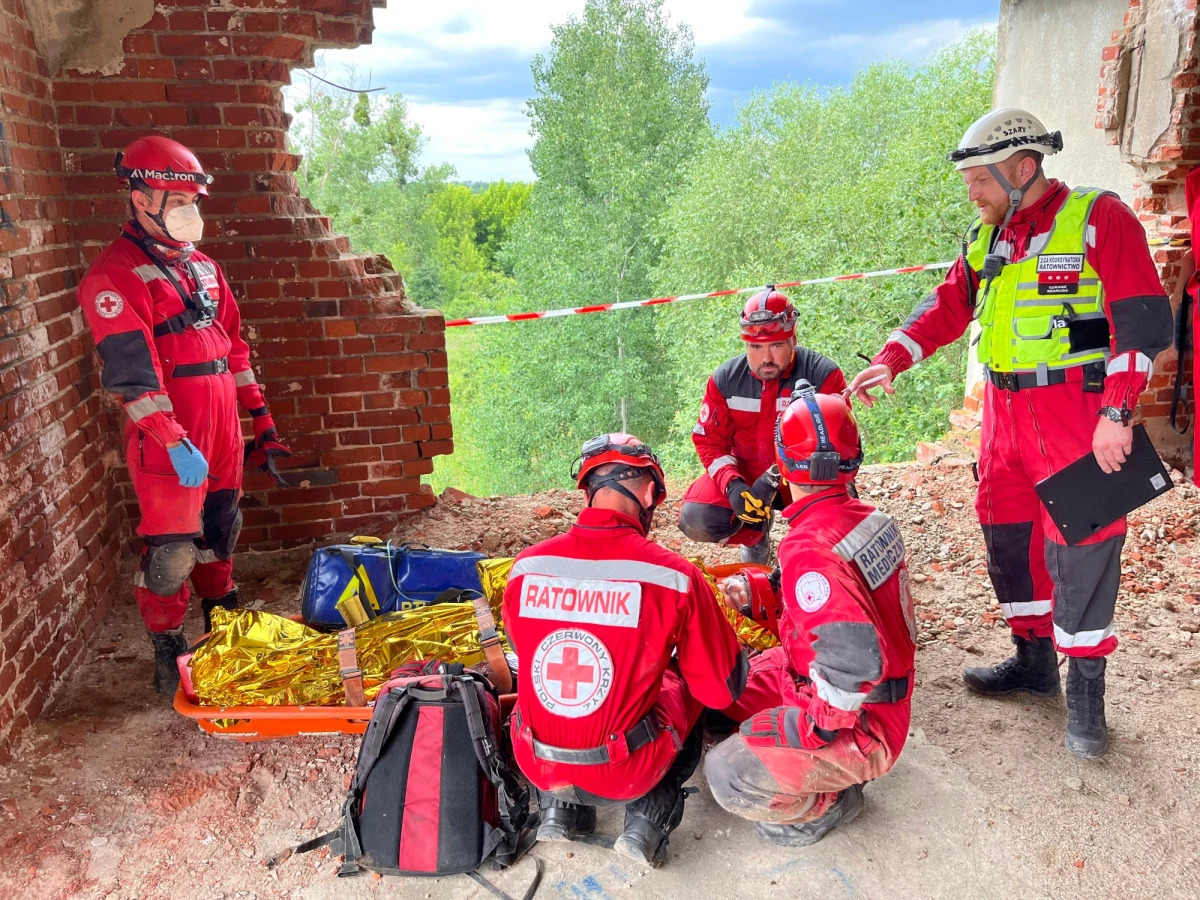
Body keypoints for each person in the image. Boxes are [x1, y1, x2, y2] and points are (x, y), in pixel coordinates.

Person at [846, 109, 1173, 758]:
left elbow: (1142, 320)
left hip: (1076, 415)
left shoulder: (1099, 219)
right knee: (1009, 539)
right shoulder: (990, 237)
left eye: (980, 179)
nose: (972, 191)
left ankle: (1086, 699)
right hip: (1003, 418)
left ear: (1023, 169)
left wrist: (1118, 411)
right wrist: (891, 357)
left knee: (1084, 551)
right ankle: (1032, 662)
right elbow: (947, 303)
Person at [78, 136, 291, 696]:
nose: (186, 211)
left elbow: (234, 350)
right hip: (171, 431)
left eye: (192, 199)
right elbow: (133, 375)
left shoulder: (204, 269)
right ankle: (166, 645)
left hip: (221, 422)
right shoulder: (115, 274)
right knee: (171, 548)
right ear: (140, 197)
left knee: (222, 529)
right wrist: (172, 440)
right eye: (175, 200)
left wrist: (261, 421)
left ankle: (223, 624)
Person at [503, 434, 748, 867]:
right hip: (625, 770)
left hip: (535, 759)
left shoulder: (526, 568)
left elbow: (526, 659)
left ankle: (559, 809)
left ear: (588, 490)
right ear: (649, 491)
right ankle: (646, 823)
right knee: (692, 684)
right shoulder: (673, 576)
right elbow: (720, 690)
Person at [704, 382, 916, 846]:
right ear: (853, 460)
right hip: (864, 689)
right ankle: (812, 746)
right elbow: (854, 602)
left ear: (780, 466)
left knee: (726, 773)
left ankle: (829, 802)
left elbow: (854, 660)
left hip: (862, 718)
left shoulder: (808, 547)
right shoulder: (870, 517)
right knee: (724, 690)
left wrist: (811, 725)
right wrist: (776, 592)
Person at [680, 287, 846, 564]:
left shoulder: (823, 375)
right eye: (756, 348)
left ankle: (810, 550)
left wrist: (797, 480)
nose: (766, 358)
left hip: (807, 476)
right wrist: (732, 485)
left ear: (793, 339)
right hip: (748, 476)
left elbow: (841, 449)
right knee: (697, 517)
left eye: (776, 345)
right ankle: (756, 537)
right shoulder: (724, 380)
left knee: (837, 533)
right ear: (745, 344)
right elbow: (710, 442)